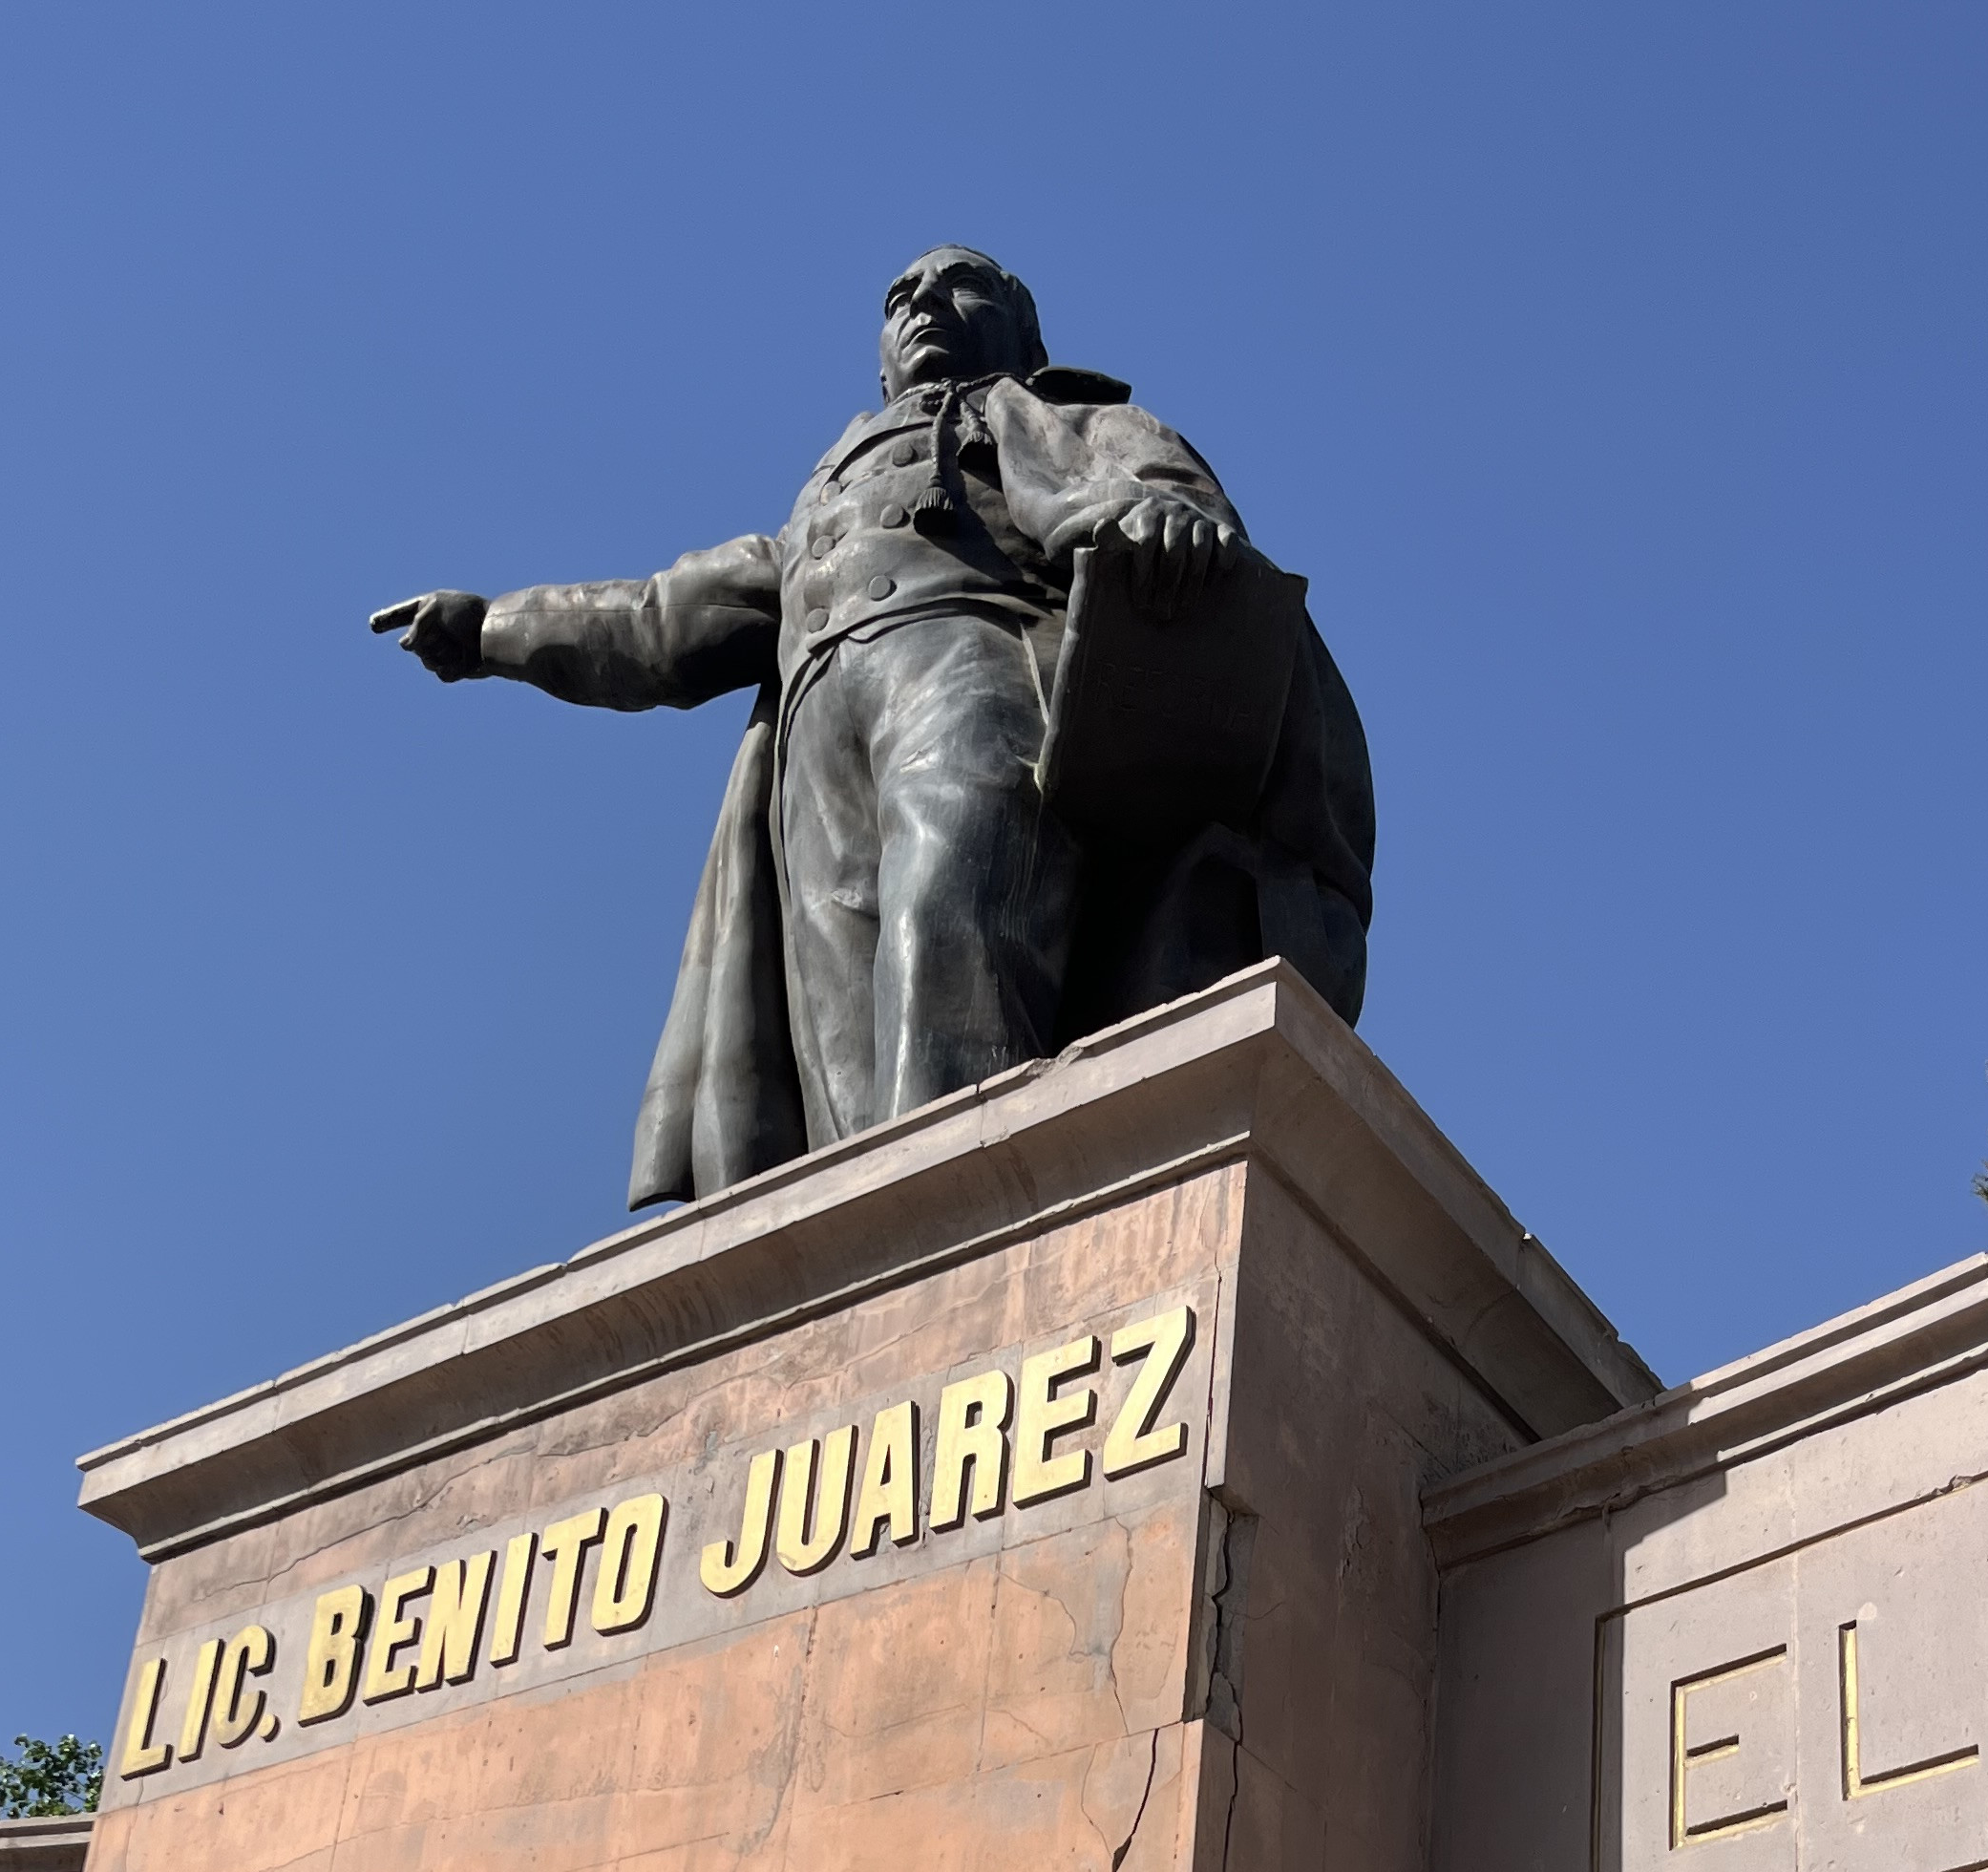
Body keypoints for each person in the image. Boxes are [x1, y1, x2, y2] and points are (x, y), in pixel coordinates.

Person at [376, 247, 1374, 1208]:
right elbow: (659, 618)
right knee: (843, 1049)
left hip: (978, 674)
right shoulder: (819, 501)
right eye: (902, 296)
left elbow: (1166, 496)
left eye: (962, 285)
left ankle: (962, 1225)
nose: (925, 303)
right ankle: (879, 1261)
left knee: (949, 921)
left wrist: (1167, 526)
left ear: (1025, 336)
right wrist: (492, 628)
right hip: (815, 762)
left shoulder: (1066, 415)